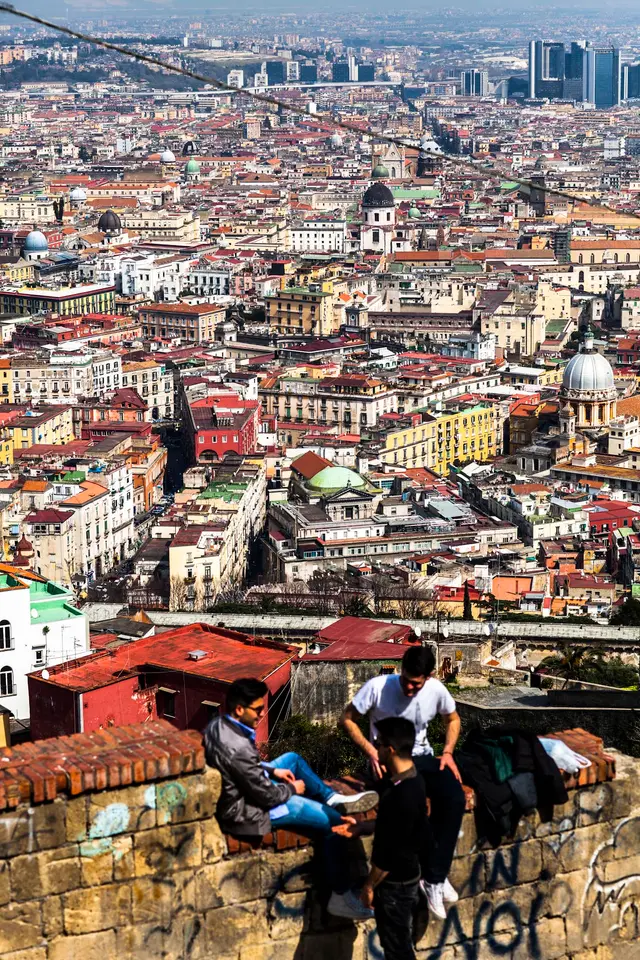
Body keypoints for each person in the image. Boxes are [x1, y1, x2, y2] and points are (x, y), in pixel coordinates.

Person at [204, 677, 379, 921]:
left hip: (248, 789)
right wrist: (293, 789)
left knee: (293, 759)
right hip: (252, 809)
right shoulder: (239, 747)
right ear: (239, 709)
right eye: (257, 709)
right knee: (334, 822)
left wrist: (270, 769)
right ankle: (339, 896)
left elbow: (243, 768)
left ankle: (331, 797)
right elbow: (265, 795)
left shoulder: (219, 725)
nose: (261, 714)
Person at [340, 646, 465, 919]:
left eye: (416, 684)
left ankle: (435, 878)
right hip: (389, 762)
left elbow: (453, 719)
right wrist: (371, 750)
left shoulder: (436, 690)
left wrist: (448, 752)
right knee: (410, 808)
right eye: (406, 680)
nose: (409, 687)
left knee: (454, 797)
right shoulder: (378, 687)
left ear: (429, 678)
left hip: (422, 757)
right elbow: (347, 719)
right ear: (401, 669)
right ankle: (429, 876)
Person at [334, 717, 427, 960]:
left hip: (396, 885)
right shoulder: (411, 779)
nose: (376, 748)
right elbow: (396, 825)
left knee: (397, 950)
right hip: (406, 878)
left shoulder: (402, 794)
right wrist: (364, 825)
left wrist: (369, 886)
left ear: (391, 749)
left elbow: (390, 854)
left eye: (379, 743)